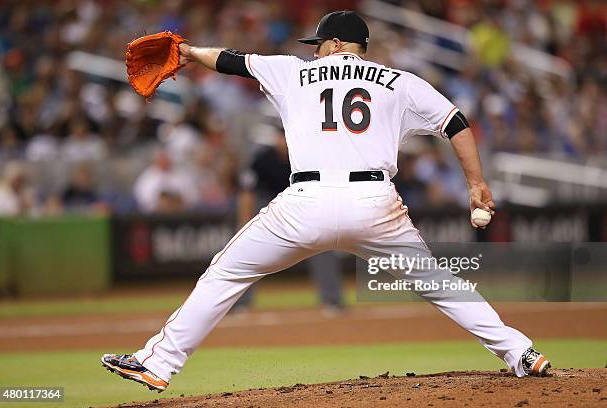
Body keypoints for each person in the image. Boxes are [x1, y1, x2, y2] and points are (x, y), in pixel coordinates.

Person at [102, 11, 550, 392]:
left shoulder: (293, 71)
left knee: (226, 272)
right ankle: (520, 353)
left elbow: (230, 61)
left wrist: (187, 52)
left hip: (305, 203)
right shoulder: (401, 81)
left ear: (336, 43)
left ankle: (158, 364)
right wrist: (476, 184)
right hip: (377, 204)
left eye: (319, 44)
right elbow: (456, 122)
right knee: (442, 286)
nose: (314, 50)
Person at [236, 123, 345, 314]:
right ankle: (240, 304)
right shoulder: (263, 159)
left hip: (303, 209)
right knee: (246, 252)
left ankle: (332, 300)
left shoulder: (307, 158)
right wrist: (245, 223)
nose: (284, 142)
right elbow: (248, 193)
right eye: (281, 137)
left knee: (323, 248)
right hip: (270, 211)